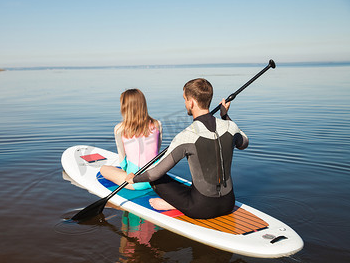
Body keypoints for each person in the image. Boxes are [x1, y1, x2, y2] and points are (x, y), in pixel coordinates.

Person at [125, 78, 249, 219]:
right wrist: (225, 115)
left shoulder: (186, 135)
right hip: (228, 203)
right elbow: (244, 143)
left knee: (155, 179)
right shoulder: (231, 127)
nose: (185, 104)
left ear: (191, 102)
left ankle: (172, 205)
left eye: (185, 99)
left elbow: (154, 174)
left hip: (201, 209)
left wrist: (134, 179)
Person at [100, 88, 162, 190]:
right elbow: (157, 152)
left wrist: (127, 171)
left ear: (125, 107)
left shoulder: (119, 129)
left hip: (137, 182)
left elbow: (123, 163)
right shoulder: (157, 124)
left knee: (104, 169)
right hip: (157, 177)